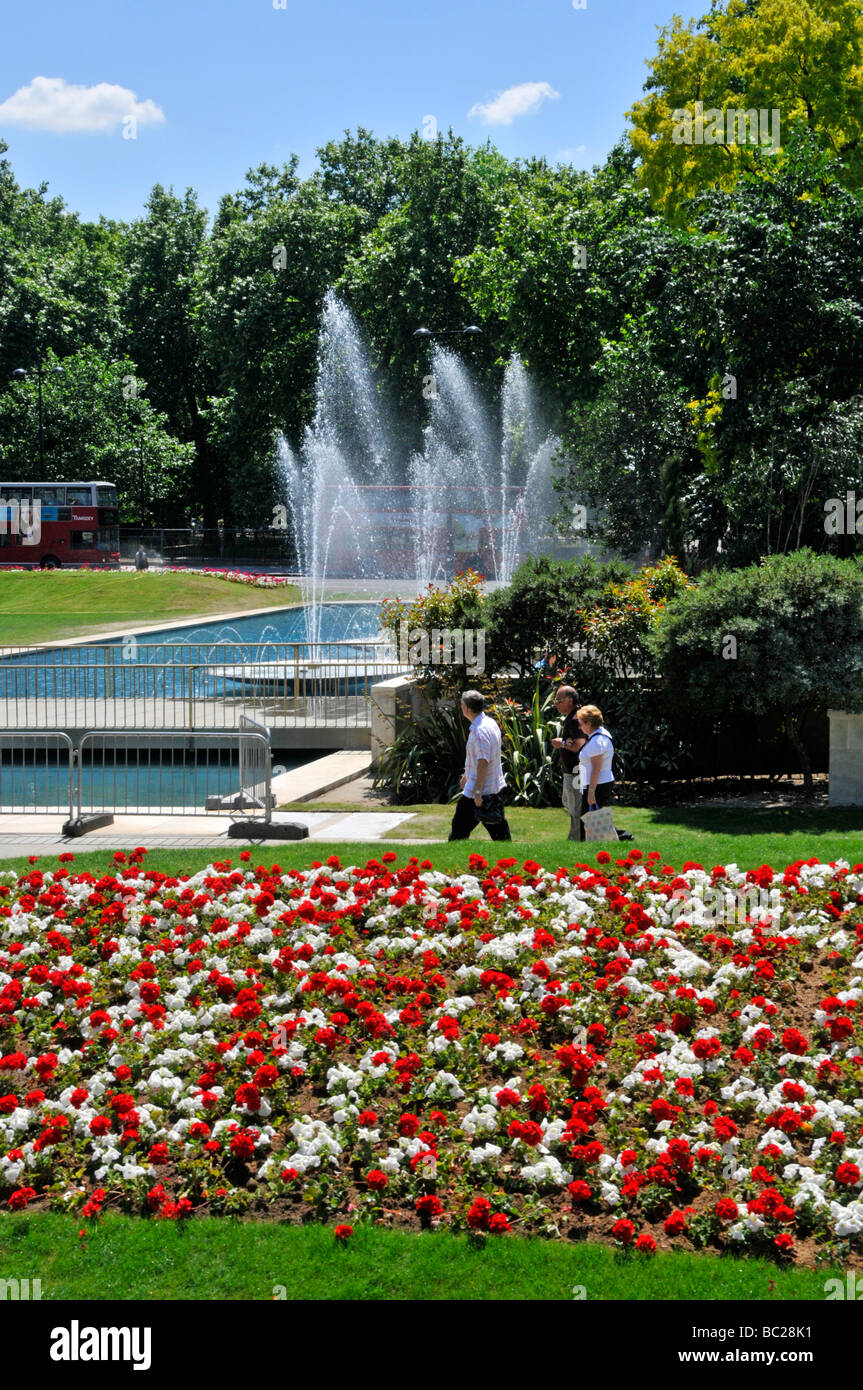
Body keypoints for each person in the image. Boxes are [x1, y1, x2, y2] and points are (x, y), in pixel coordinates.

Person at [448, 689, 512, 842]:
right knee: (499, 831)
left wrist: (477, 793)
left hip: (479, 792)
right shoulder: (490, 723)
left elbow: (483, 763)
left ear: (466, 708)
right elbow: (477, 758)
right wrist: (466, 775)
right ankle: (510, 857)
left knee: (459, 832)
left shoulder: (479, 731)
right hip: (490, 788)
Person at [575, 704, 616, 841]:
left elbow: (596, 769)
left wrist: (591, 792)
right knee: (593, 819)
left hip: (597, 784)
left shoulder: (597, 741)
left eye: (581, 724)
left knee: (588, 821)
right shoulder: (600, 735)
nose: (580, 727)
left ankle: (619, 837)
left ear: (589, 723)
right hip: (599, 783)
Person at [550, 684, 583, 840]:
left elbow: (579, 745)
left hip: (576, 771)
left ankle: (575, 841)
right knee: (570, 804)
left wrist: (562, 743)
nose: (555, 703)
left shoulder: (575, 720)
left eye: (558, 700)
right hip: (572, 771)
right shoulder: (573, 717)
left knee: (575, 809)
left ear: (570, 700)